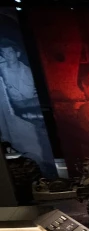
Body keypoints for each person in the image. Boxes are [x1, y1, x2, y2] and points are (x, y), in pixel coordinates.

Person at [0, 36, 55, 175]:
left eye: (10, 52)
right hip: (11, 115)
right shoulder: (2, 70)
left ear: (17, 54)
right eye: (4, 53)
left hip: (29, 113)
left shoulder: (28, 72)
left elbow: (31, 97)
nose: (7, 56)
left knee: (40, 145)